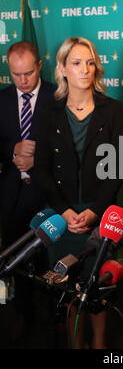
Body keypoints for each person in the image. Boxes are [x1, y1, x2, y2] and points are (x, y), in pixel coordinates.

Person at [34, 37, 123, 349]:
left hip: (98, 216)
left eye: (89, 62)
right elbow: (41, 169)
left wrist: (95, 211)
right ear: (62, 68)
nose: (85, 69)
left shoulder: (113, 110)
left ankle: (98, 345)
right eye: (76, 62)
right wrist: (64, 211)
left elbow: (120, 166)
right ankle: (78, 344)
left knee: (96, 289)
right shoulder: (47, 112)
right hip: (61, 218)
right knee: (69, 289)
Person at [0, 41, 56, 340]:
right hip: (12, 196)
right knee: (16, 259)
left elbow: (68, 147)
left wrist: (37, 158)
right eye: (15, 74)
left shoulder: (56, 95)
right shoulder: (1, 100)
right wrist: (12, 150)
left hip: (47, 193)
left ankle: (55, 313)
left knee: (51, 257)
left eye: (28, 73)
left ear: (39, 66)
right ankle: (23, 312)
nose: (22, 80)